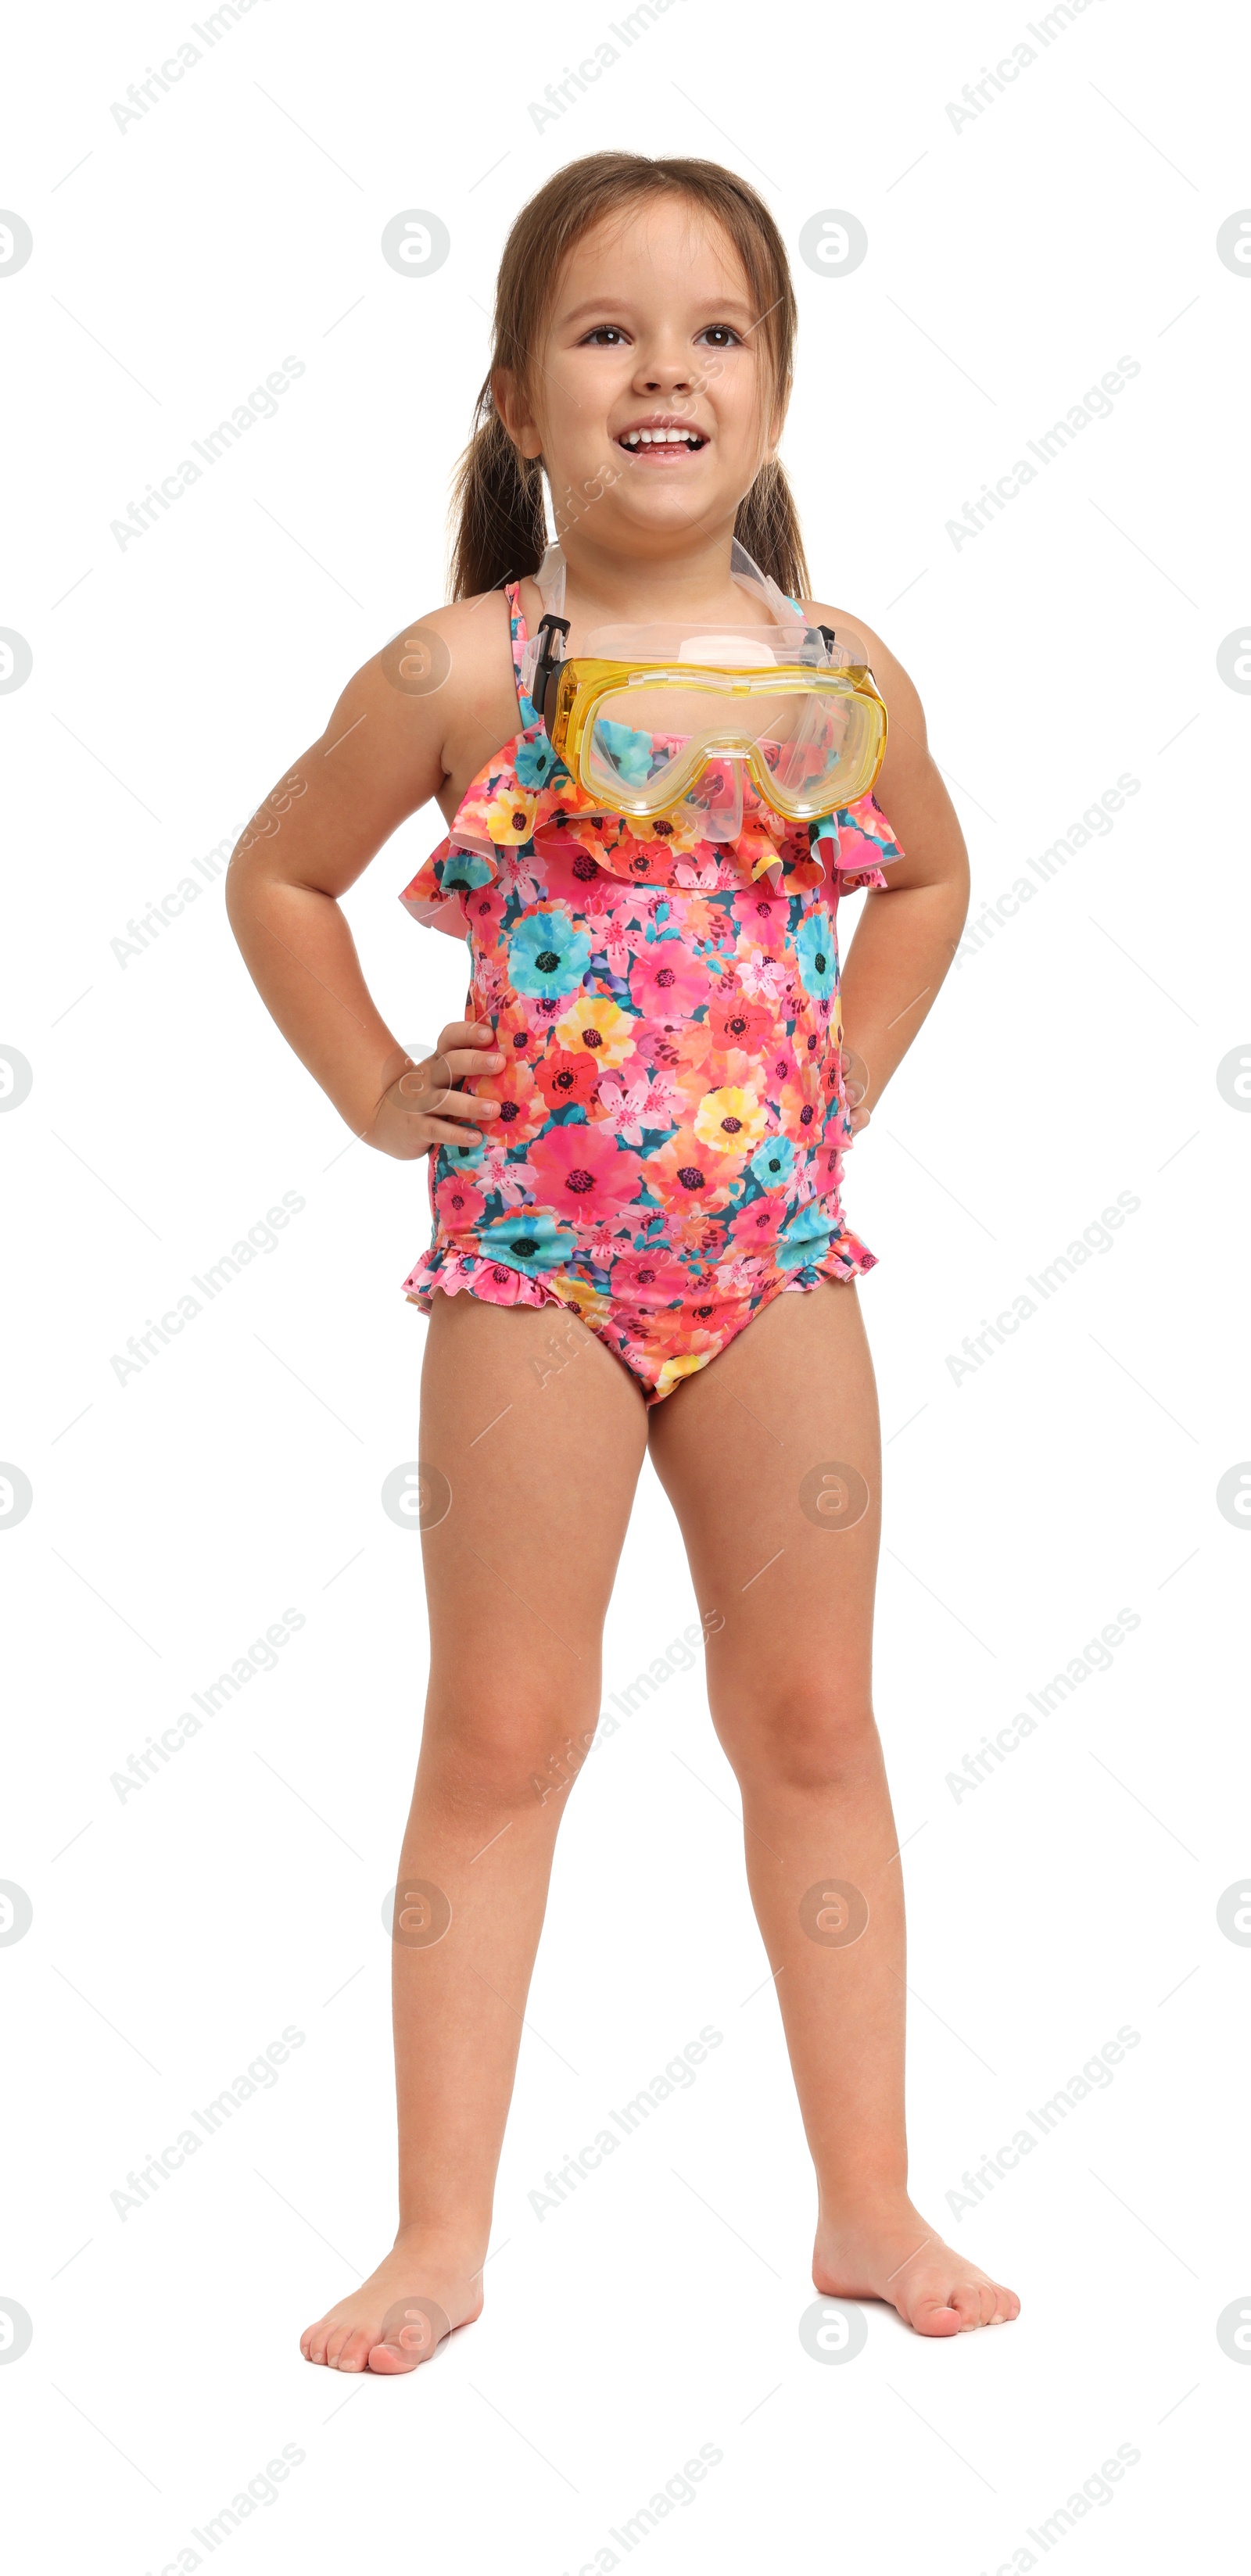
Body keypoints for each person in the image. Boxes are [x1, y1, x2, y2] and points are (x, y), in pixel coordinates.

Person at [226, 150, 1019, 2371]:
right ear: (514, 396)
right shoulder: (468, 666)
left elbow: (934, 879)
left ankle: (864, 2204)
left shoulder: (839, 669)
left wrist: (839, 1078)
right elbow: (277, 877)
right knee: (502, 1726)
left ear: (775, 389)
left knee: (814, 1719)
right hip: (535, 1273)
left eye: (716, 332)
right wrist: (383, 1090)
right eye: (605, 331)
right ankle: (438, 2235)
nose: (661, 369)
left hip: (776, 1259)